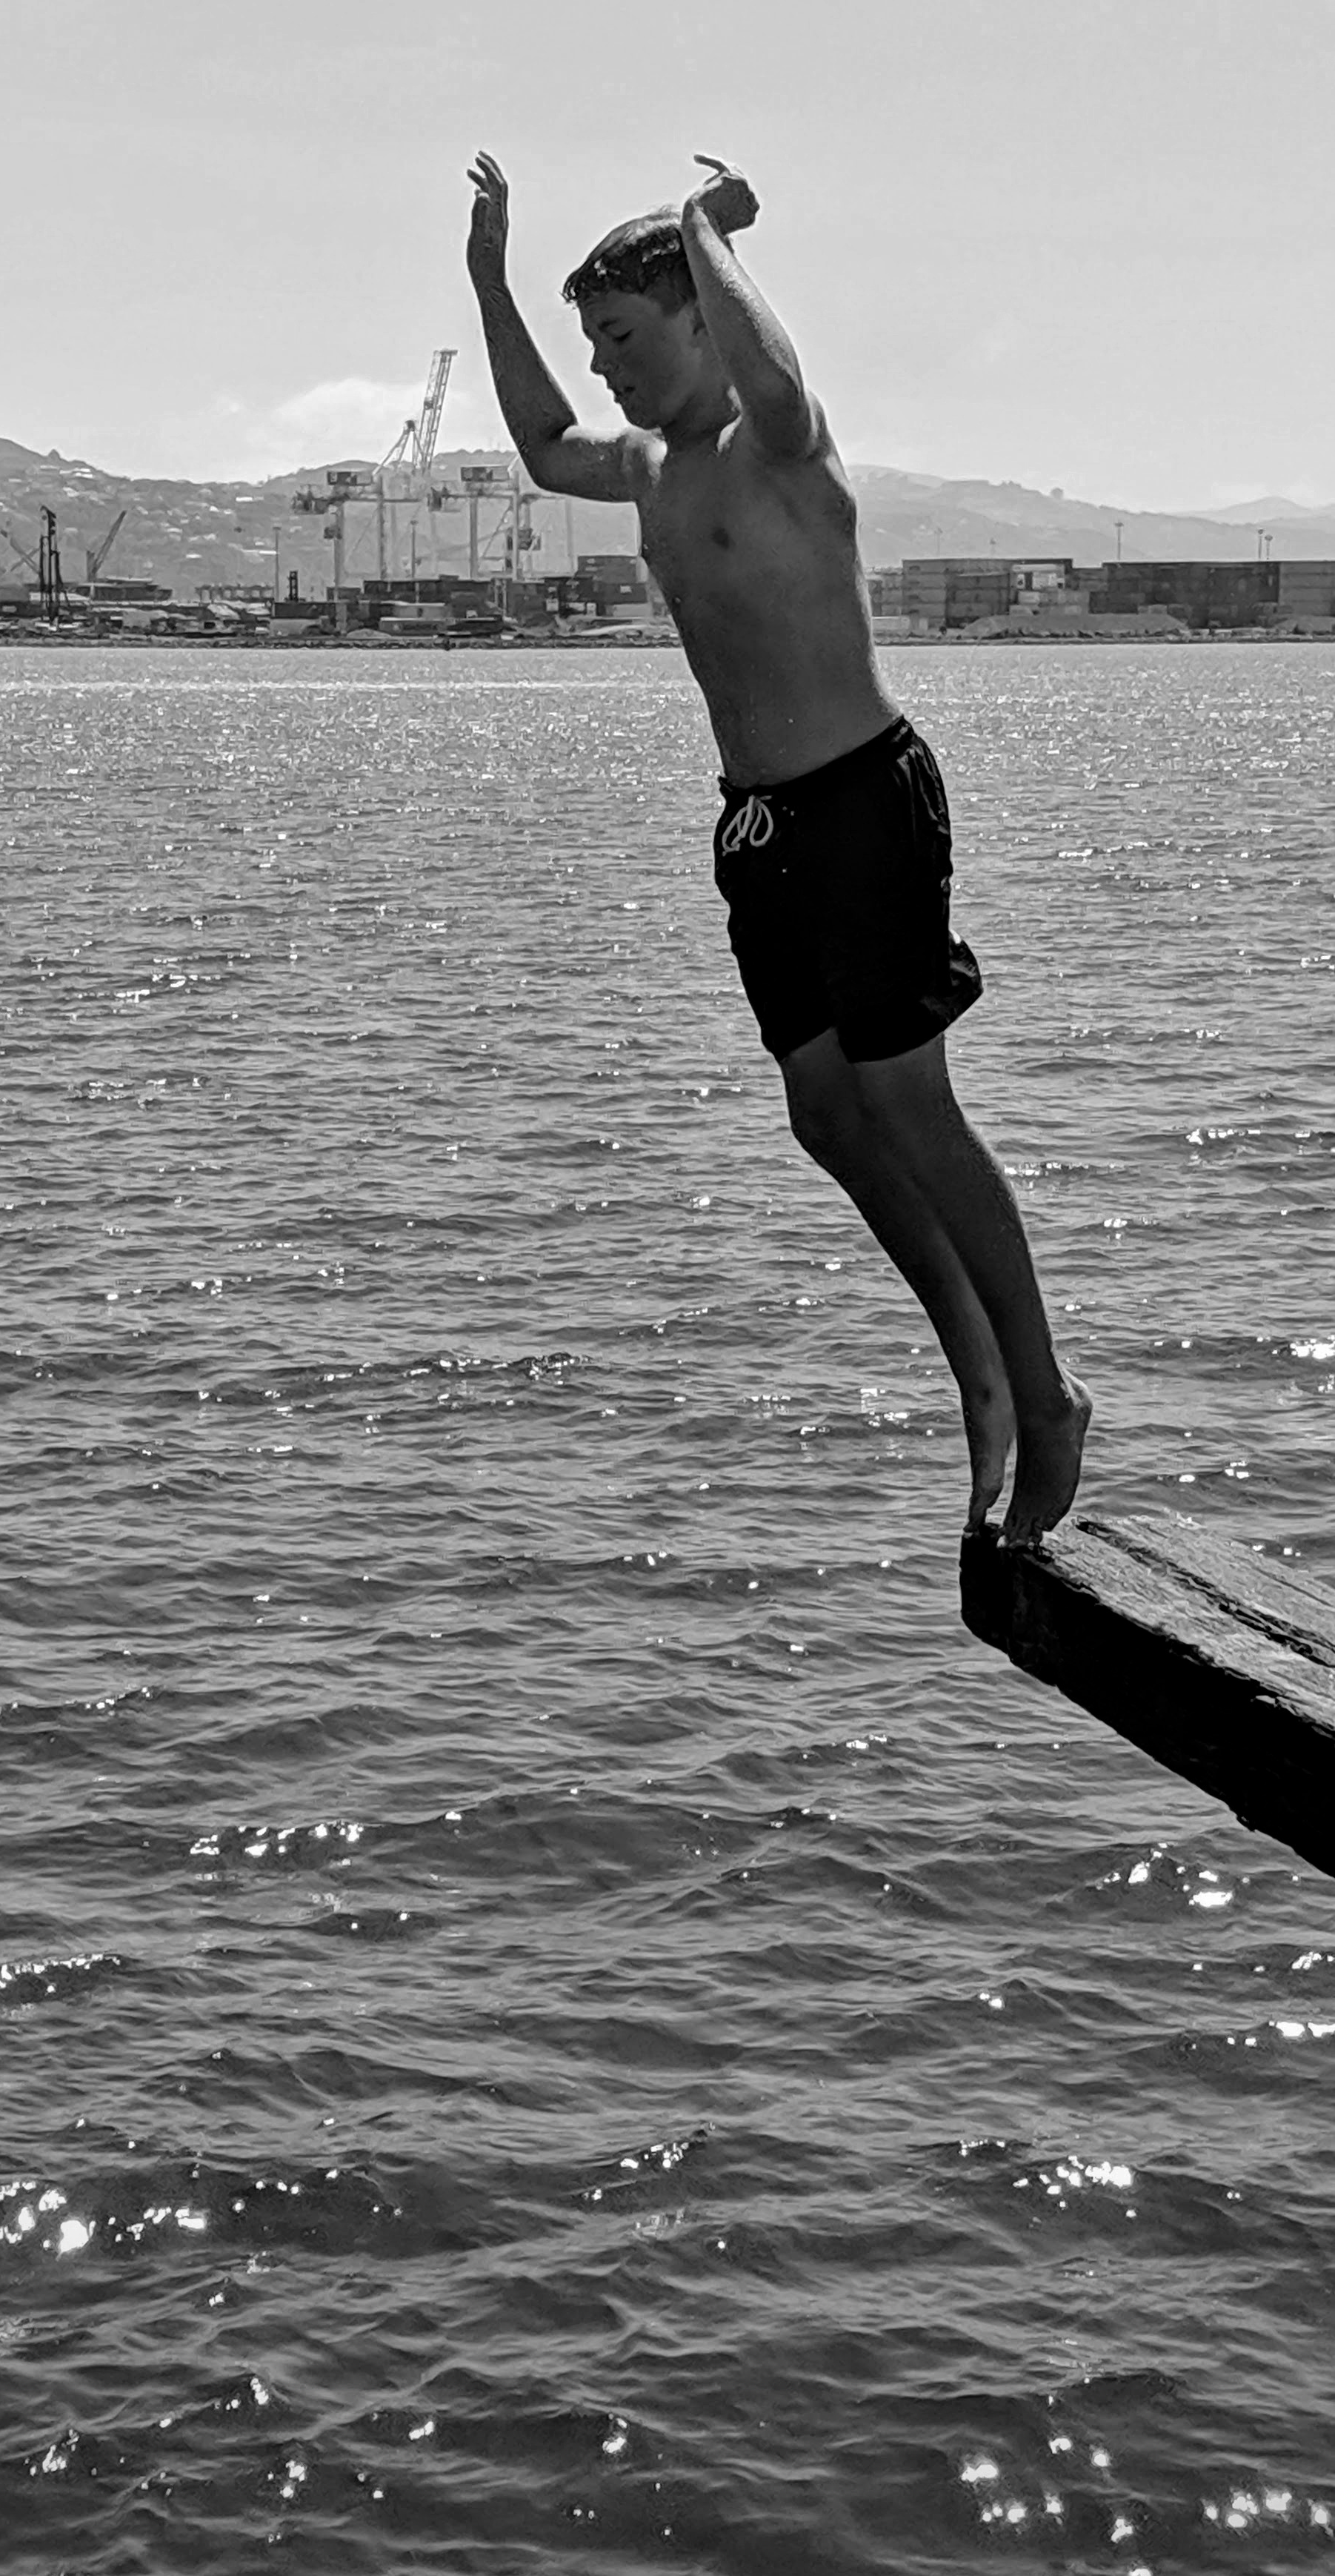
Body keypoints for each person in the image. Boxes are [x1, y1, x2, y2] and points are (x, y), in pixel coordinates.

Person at [465, 149, 1091, 1545]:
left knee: (910, 1106)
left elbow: (785, 387)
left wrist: (700, 229)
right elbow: (536, 444)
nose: (610, 372)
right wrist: (487, 283)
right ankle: (979, 1377)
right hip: (758, 829)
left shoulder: (778, 447)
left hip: (863, 797)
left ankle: (1047, 1397)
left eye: (624, 338)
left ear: (697, 315)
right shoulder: (647, 471)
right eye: (597, 347)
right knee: (827, 1116)